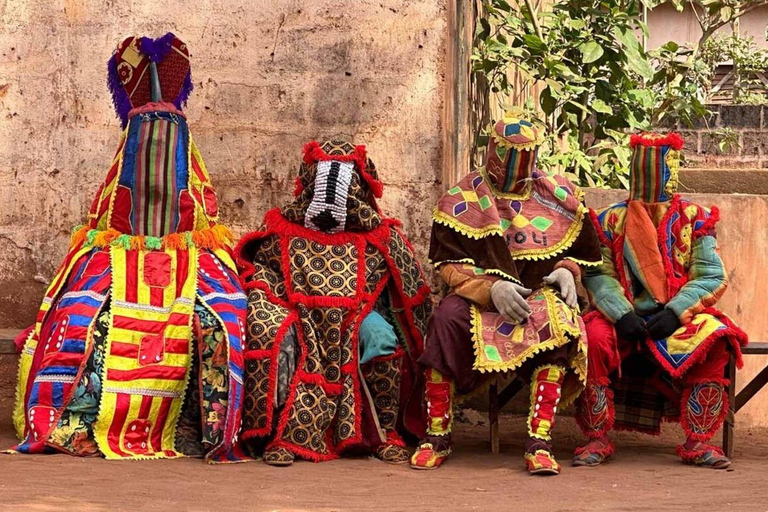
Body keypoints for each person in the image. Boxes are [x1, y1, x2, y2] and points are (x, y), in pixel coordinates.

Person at [11, 34, 247, 462]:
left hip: (190, 260)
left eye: (168, 138)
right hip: (117, 257)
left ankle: (196, 429)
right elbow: (104, 224)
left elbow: (201, 220)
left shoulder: (204, 226)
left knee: (223, 323)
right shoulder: (105, 225)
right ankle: (85, 420)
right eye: (145, 138)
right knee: (81, 320)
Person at [409, 114, 602, 475]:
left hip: (537, 293)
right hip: (477, 296)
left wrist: (566, 272)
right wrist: (491, 289)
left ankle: (539, 442)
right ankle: (437, 434)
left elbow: (581, 253)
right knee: (445, 319)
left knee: (559, 322)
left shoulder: (556, 194)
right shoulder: (463, 197)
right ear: (493, 153)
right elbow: (448, 265)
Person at [235, 139, 432, 465]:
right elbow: (263, 271)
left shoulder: (379, 233)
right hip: (299, 313)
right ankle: (279, 436)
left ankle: (384, 433)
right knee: (274, 334)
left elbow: (407, 287)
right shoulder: (282, 226)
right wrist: (273, 301)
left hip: (357, 315)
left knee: (382, 338)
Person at [573, 132, 748, 469]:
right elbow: (597, 275)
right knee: (590, 338)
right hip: (621, 317)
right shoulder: (609, 219)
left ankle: (699, 441)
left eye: (665, 165)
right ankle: (596, 437)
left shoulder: (695, 217)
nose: (659, 174)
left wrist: (676, 310)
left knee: (717, 342)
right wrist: (621, 313)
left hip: (677, 315)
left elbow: (711, 275)